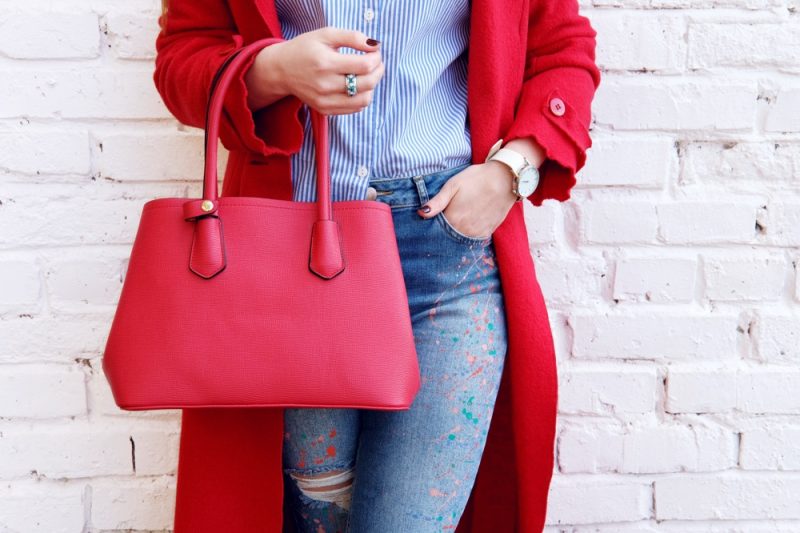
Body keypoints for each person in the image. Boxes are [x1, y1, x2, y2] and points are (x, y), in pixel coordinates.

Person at [153, 0, 600, 531]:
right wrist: (275, 69)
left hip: (448, 254)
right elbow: (183, 54)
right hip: (288, 262)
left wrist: (511, 170)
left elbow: (563, 50)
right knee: (311, 519)